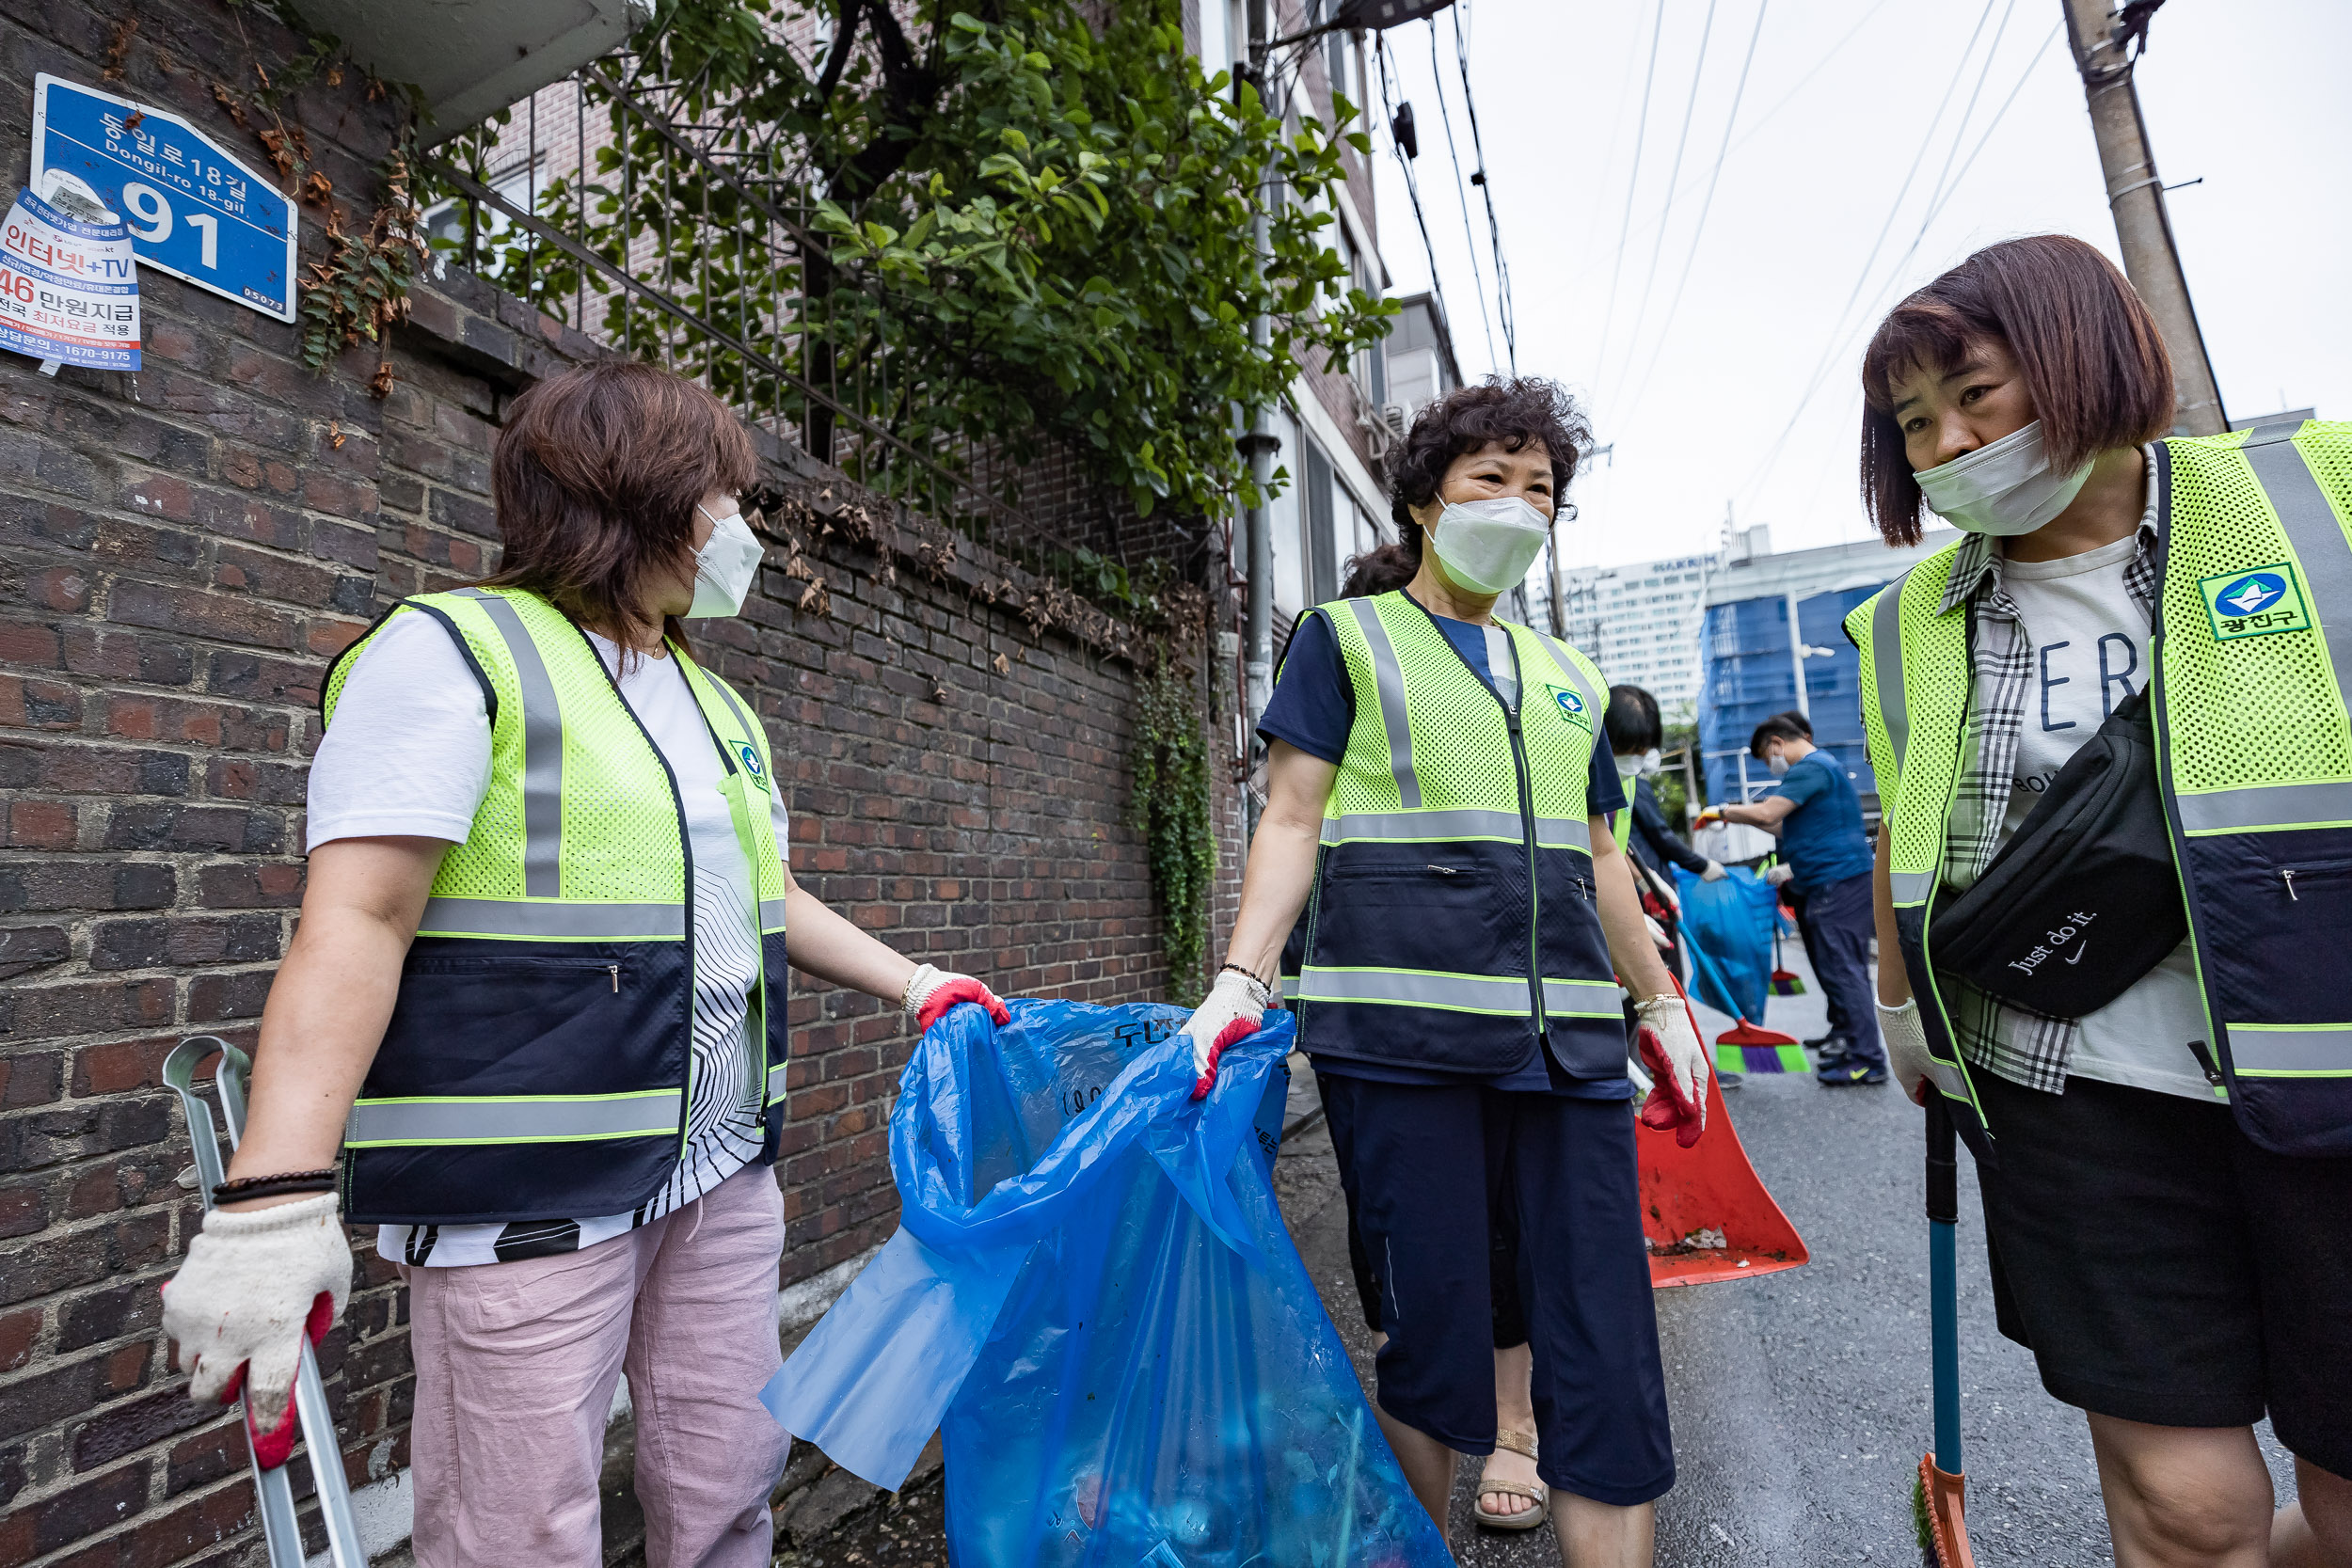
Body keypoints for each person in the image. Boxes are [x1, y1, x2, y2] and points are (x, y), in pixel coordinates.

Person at [158, 361, 1011, 1567]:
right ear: (645, 495)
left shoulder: (718, 706)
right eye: (727, 497)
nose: (745, 533)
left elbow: (762, 893)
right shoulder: (455, 652)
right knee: (520, 1527)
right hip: (527, 1190)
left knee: (727, 1480)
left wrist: (916, 982)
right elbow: (358, 919)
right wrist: (271, 1198)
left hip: (717, 1170)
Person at [1851, 234, 2352, 1565]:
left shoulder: (2318, 494)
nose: (1948, 441)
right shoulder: (1906, 619)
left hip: (2334, 1075)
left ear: (2085, 356)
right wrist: (1901, 1009)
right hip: (2077, 1094)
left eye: (1977, 393)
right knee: (2189, 1515)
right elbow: (1909, 824)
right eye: (1914, 424)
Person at [1187, 378, 1702, 1563]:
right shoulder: (1346, 638)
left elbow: (1601, 854)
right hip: (1399, 1048)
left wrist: (1659, 1004)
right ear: (1425, 498)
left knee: (1605, 1348)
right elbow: (1292, 819)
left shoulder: (1565, 674)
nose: (1519, 506)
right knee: (1428, 1338)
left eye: (1543, 489)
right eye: (1492, 479)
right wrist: (1241, 975)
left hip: (1569, 1055)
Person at [1702, 715, 1883, 1085]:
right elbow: (1781, 824)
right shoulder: (1820, 770)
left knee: (1845, 971)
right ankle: (1851, 1040)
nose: (1772, 764)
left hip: (1838, 882)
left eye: (1767, 758)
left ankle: (1868, 1059)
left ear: (1775, 744)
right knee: (1837, 968)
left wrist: (1722, 811)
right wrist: (1741, 819)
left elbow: (1769, 811)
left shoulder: (1810, 767)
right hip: (1828, 881)